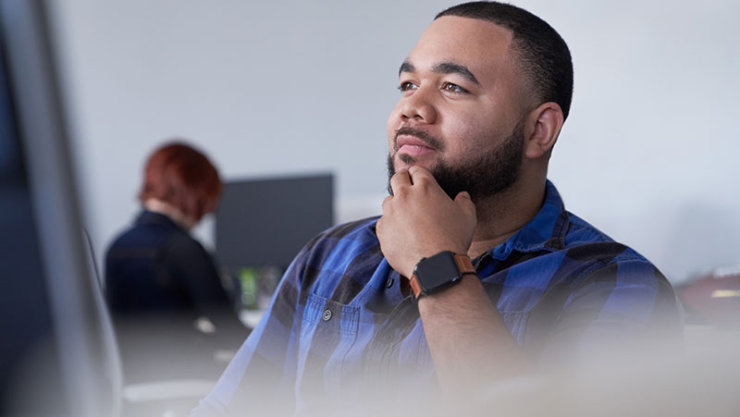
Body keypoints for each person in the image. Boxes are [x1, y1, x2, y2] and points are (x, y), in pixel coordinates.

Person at [191, 2, 682, 416]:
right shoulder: (332, 255)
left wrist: (435, 263)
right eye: (408, 86)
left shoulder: (614, 285)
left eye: (453, 88)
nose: (412, 108)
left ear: (539, 131)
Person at [105, 141, 248, 384]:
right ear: (194, 191)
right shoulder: (181, 248)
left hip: (137, 381)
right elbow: (230, 334)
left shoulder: (117, 246)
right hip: (184, 377)